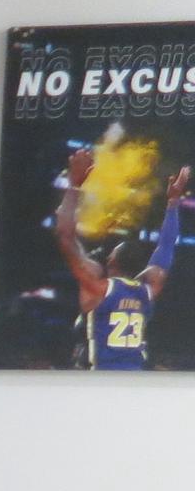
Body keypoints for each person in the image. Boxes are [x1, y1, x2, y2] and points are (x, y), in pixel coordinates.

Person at [57, 147, 190, 370]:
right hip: (134, 379)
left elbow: (66, 237)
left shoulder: (97, 288)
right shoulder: (149, 289)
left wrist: (74, 185)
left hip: (100, 380)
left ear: (112, 262)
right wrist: (173, 203)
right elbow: (166, 245)